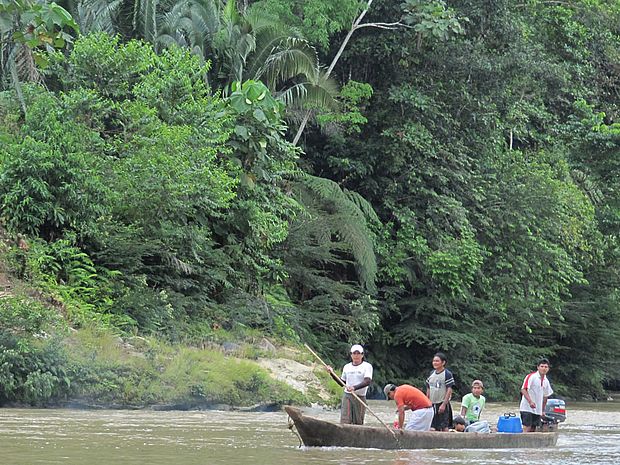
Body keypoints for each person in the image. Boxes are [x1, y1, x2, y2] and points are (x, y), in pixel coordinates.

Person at [325, 344, 373, 424]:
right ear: (351, 355)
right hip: (348, 395)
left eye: (358, 353)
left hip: (360, 396)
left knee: (358, 421)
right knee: (345, 420)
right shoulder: (347, 367)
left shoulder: (367, 366)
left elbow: (367, 381)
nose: (356, 356)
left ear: (362, 355)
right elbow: (342, 383)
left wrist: (354, 387)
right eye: (354, 353)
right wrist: (332, 373)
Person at [519, 358, 553, 432]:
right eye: (542, 366)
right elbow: (523, 389)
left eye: (546, 367)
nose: (544, 368)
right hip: (526, 408)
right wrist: (530, 401)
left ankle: (530, 443)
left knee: (533, 428)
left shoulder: (546, 381)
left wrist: (542, 410)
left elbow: (545, 396)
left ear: (548, 369)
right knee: (527, 427)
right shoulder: (531, 376)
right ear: (538, 367)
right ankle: (523, 442)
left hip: (537, 409)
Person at [426, 352, 455, 431]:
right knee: (432, 426)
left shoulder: (447, 374)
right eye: (434, 361)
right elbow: (428, 388)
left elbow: (449, 389)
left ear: (443, 362)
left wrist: (444, 404)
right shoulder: (431, 374)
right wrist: (427, 401)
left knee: (444, 426)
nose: (434, 363)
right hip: (432, 403)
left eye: (437, 361)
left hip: (442, 403)